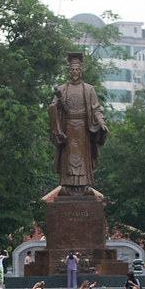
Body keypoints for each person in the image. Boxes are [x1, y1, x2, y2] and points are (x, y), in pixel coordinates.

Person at [48, 51, 108, 192]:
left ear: (80, 71)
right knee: (68, 157)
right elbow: (52, 107)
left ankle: (84, 184)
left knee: (82, 158)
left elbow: (96, 109)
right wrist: (56, 106)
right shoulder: (62, 89)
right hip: (67, 128)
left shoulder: (89, 89)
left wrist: (101, 123)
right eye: (72, 70)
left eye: (77, 70)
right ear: (69, 72)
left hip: (83, 129)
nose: (75, 72)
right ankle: (67, 185)